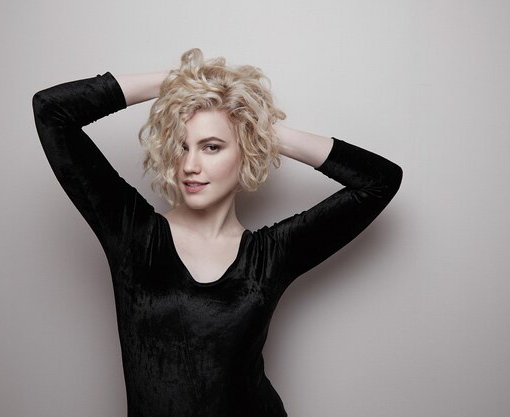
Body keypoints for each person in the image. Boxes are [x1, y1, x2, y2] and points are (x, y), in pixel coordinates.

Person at [32, 48, 403, 417]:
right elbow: (52, 111)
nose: (190, 165)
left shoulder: (271, 255)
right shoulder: (134, 234)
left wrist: (259, 130)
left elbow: (379, 181)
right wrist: (181, 81)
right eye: (181, 146)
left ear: (243, 152)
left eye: (212, 147)